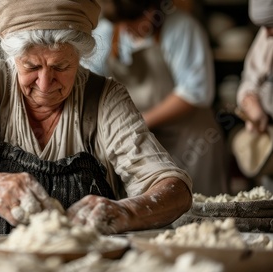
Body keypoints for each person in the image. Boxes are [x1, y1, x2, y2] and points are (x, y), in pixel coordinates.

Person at [0, 0, 193, 235]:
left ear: (80, 56)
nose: (45, 84)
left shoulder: (104, 97)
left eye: (61, 66)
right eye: (32, 66)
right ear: (11, 56)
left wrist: (126, 212)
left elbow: (173, 190)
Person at [82, 0, 229, 196]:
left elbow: (194, 93)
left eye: (133, 20)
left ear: (152, 9)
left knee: (201, 213)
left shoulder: (182, 28)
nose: (125, 29)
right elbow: (88, 81)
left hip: (191, 143)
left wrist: (136, 124)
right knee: (153, 211)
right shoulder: (109, 31)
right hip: (141, 142)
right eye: (121, 22)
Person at [235, 0, 273, 191]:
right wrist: (251, 102)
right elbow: (250, 78)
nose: (267, 33)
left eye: (271, 26)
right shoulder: (267, 37)